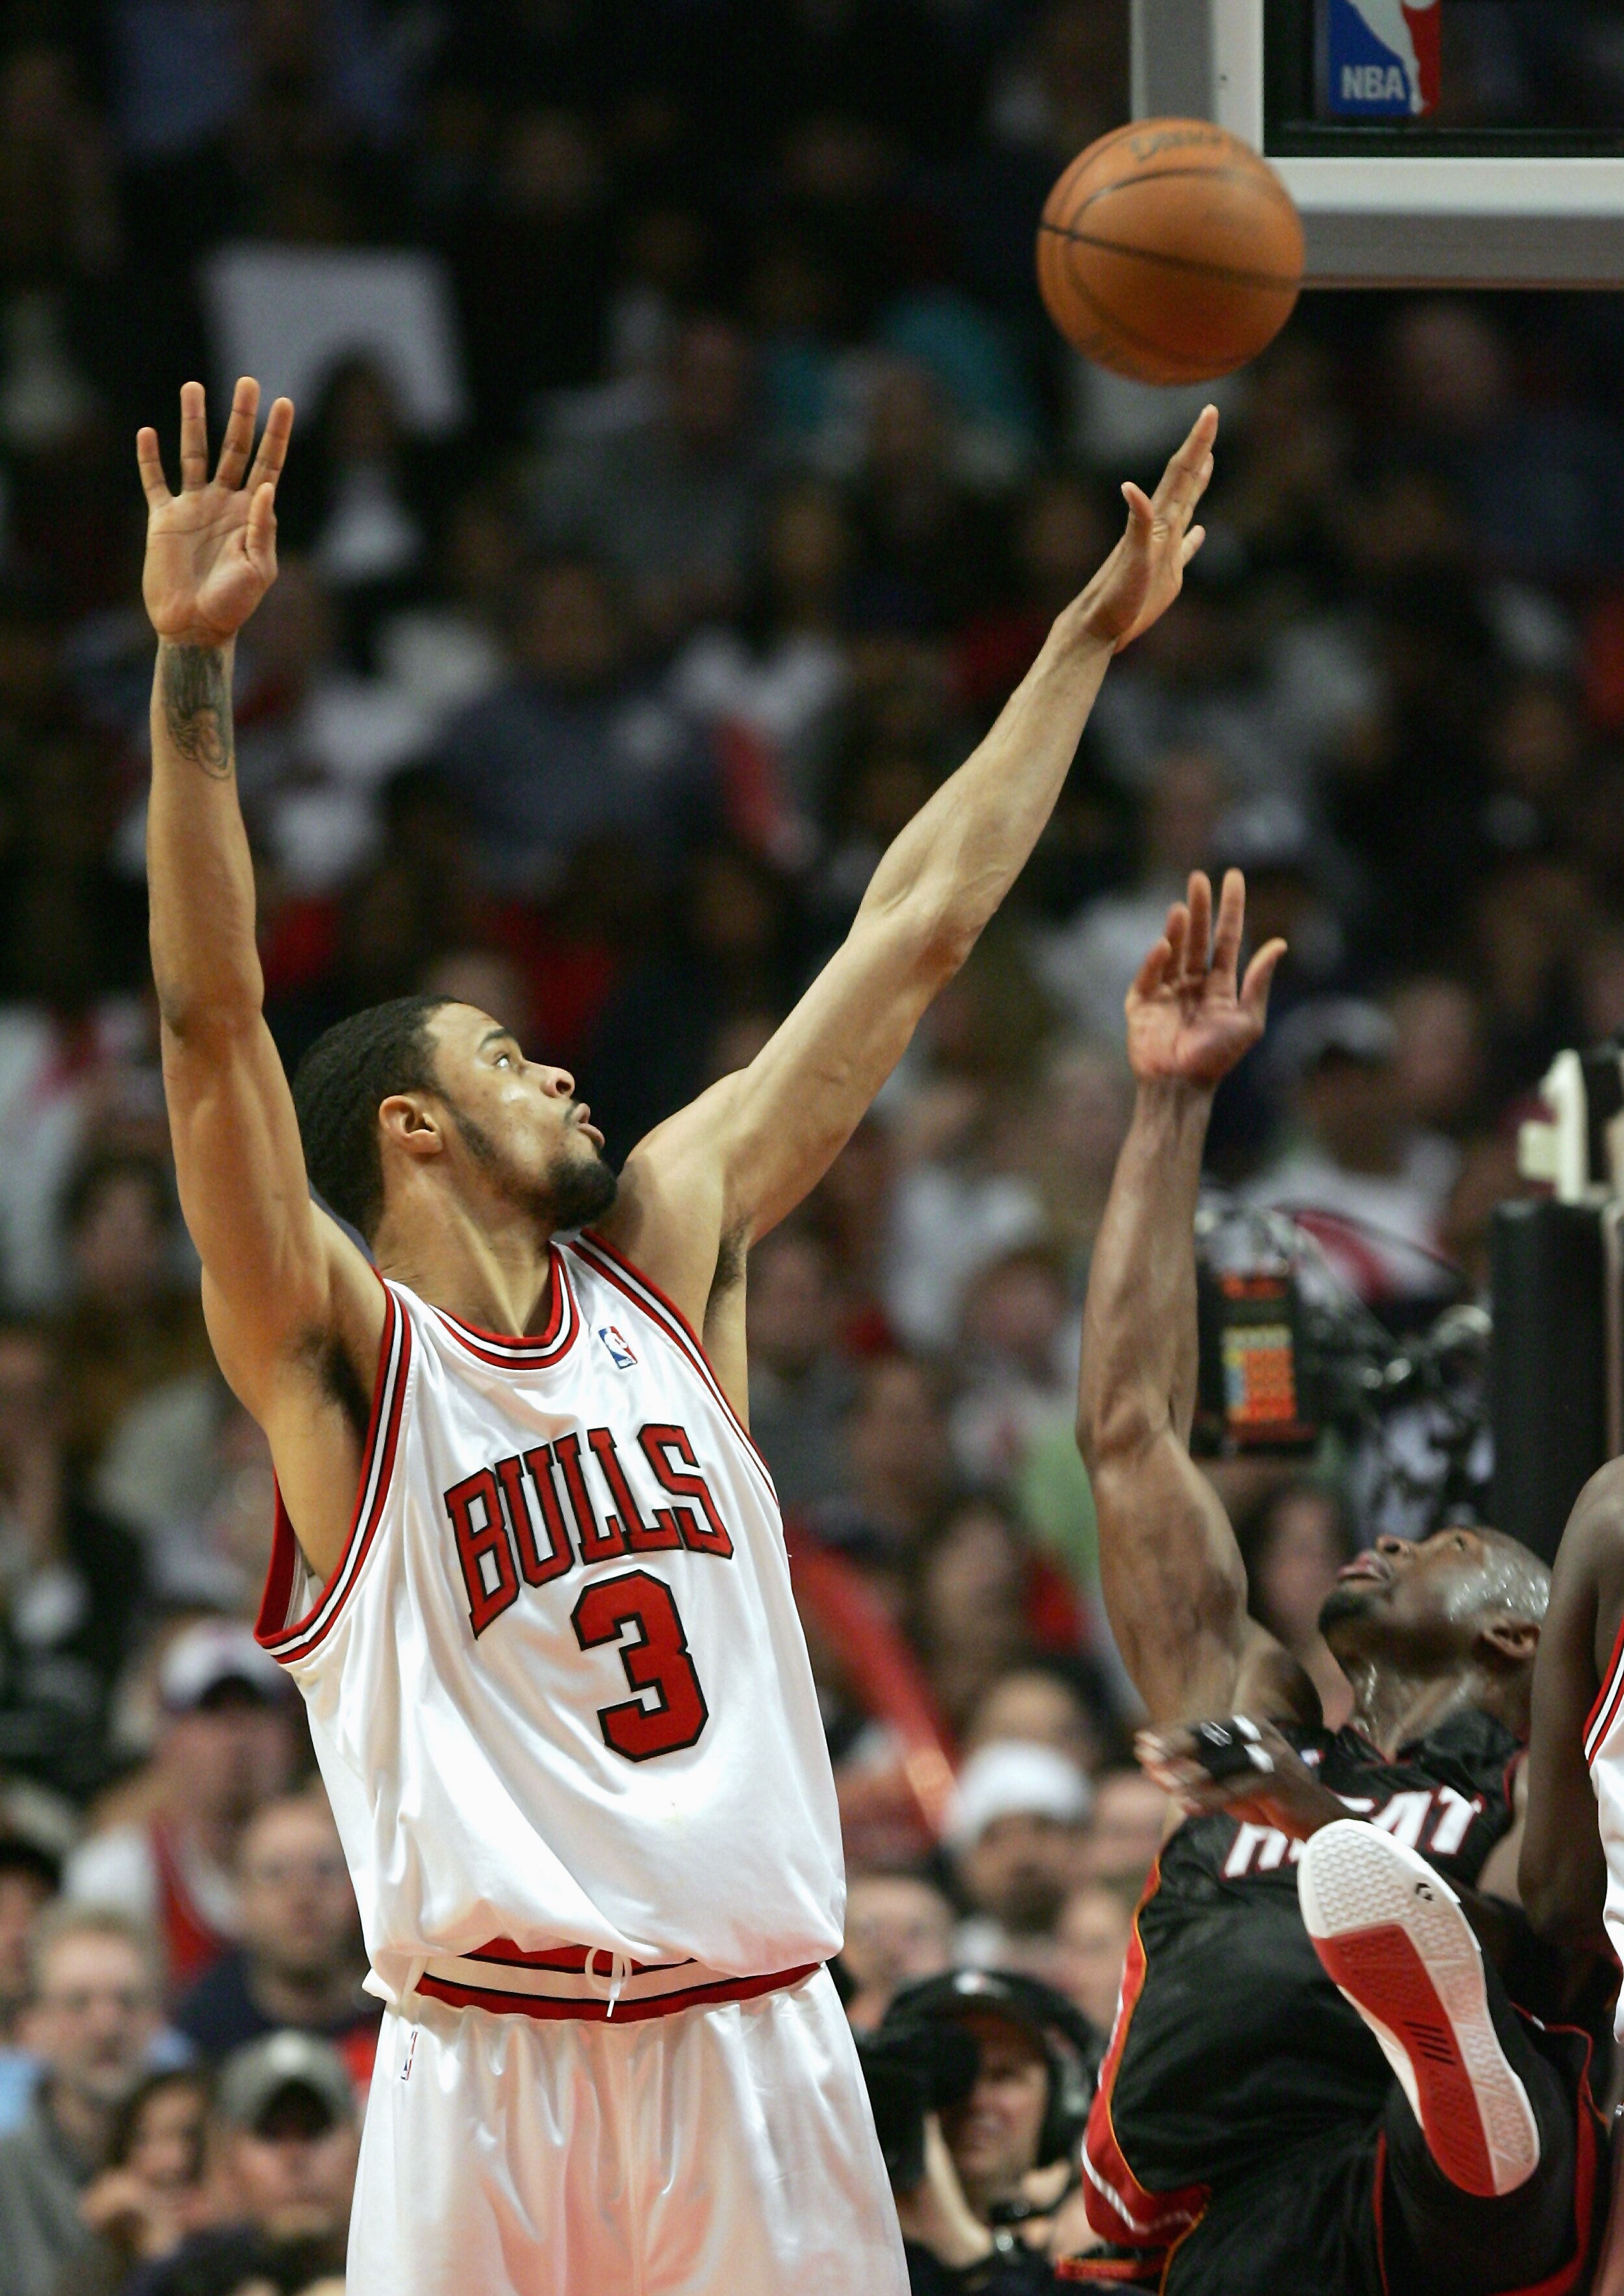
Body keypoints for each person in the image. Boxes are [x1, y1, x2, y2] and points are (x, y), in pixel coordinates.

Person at [134, 369, 1216, 2293]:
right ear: (406, 1126)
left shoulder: (665, 1250)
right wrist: (193, 682)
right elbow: (214, 1030)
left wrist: (1073, 647)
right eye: (500, 1057)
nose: (554, 1068)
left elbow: (910, 931)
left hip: (753, 2025)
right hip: (483, 2050)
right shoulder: (342, 1357)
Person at [1068, 869, 1602, 2293]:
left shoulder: (1526, 1775)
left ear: (1512, 1626)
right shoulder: (1251, 1706)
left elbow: (1550, 1934)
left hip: (1419, 2210)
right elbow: (1126, 1436)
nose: (1382, 1535)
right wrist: (1169, 1106)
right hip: (1228, 2209)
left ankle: (1447, 2067)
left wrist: (1309, 1823)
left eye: (1436, 1543)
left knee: (1502, 2061)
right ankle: (1442, 2048)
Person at [66, 1621, 296, 1996]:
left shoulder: (345, 1864)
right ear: (167, 1737)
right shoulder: (116, 1876)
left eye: (254, 1711)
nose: (237, 1738)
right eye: (213, 1713)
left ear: (289, 1734)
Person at [882, 1969, 1100, 2293]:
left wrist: (964, 2255)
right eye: (952, 2075)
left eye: (1003, 2076)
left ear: (1061, 2105)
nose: (977, 2100)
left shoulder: (1088, 2274)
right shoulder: (839, 2251)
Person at [0, 1906, 163, 2296]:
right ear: (34, 2024)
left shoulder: (202, 2163)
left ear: (158, 2017)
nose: (106, 2026)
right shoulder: (7, 2178)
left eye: (127, 2001)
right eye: (78, 2003)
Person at [129, 2032, 358, 2296]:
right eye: (270, 2133)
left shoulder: (409, 2273)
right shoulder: (180, 2284)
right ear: (225, 2160)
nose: (295, 2157)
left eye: (315, 2130)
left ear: (360, 2144)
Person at [171, 1793, 377, 2084]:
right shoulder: (203, 2029)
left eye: (325, 1870)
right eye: (274, 1875)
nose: (302, 1896)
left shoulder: (402, 2010)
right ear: (240, 1898)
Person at [55, 2067, 211, 2296]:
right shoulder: (97, 2269)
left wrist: (164, 2260)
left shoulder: (254, 2258)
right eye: (143, 2140)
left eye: (190, 2136)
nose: (171, 2164)